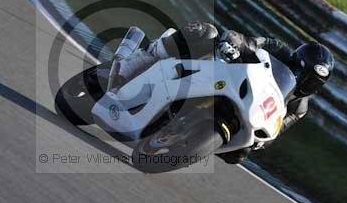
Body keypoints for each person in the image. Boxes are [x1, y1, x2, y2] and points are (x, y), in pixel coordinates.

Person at [115, 22, 335, 164]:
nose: (304, 82)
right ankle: (138, 61)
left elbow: (276, 130)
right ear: (296, 61)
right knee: (206, 32)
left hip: (243, 113)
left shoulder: (300, 107)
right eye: (302, 72)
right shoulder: (278, 48)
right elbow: (247, 41)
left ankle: (183, 140)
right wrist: (232, 44)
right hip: (226, 75)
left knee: (239, 154)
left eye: (313, 82)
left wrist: (261, 142)